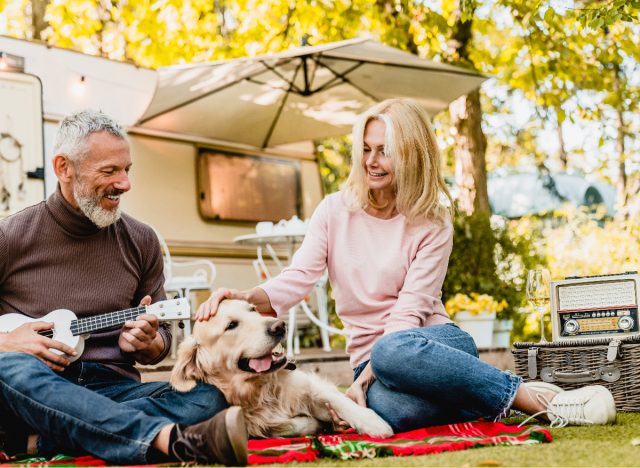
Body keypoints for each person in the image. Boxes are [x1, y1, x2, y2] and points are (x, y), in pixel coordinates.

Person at [196, 98, 616, 431]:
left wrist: (363, 381)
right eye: (365, 149)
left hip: (431, 343)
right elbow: (299, 278)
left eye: (384, 152)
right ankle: (476, 396)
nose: (370, 161)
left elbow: (409, 313)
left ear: (411, 156)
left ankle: (532, 398)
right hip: (372, 362)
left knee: (391, 349)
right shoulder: (333, 211)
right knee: (392, 414)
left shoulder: (432, 222)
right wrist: (247, 297)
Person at [0, 110, 247, 466]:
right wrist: (8, 342)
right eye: (109, 171)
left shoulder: (141, 240)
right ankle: (167, 439)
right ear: (63, 168)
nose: (124, 183)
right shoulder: (11, 237)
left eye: (126, 169)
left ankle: (42, 440)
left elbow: (160, 341)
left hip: (114, 387)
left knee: (207, 397)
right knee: (8, 368)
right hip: (34, 386)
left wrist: (150, 343)